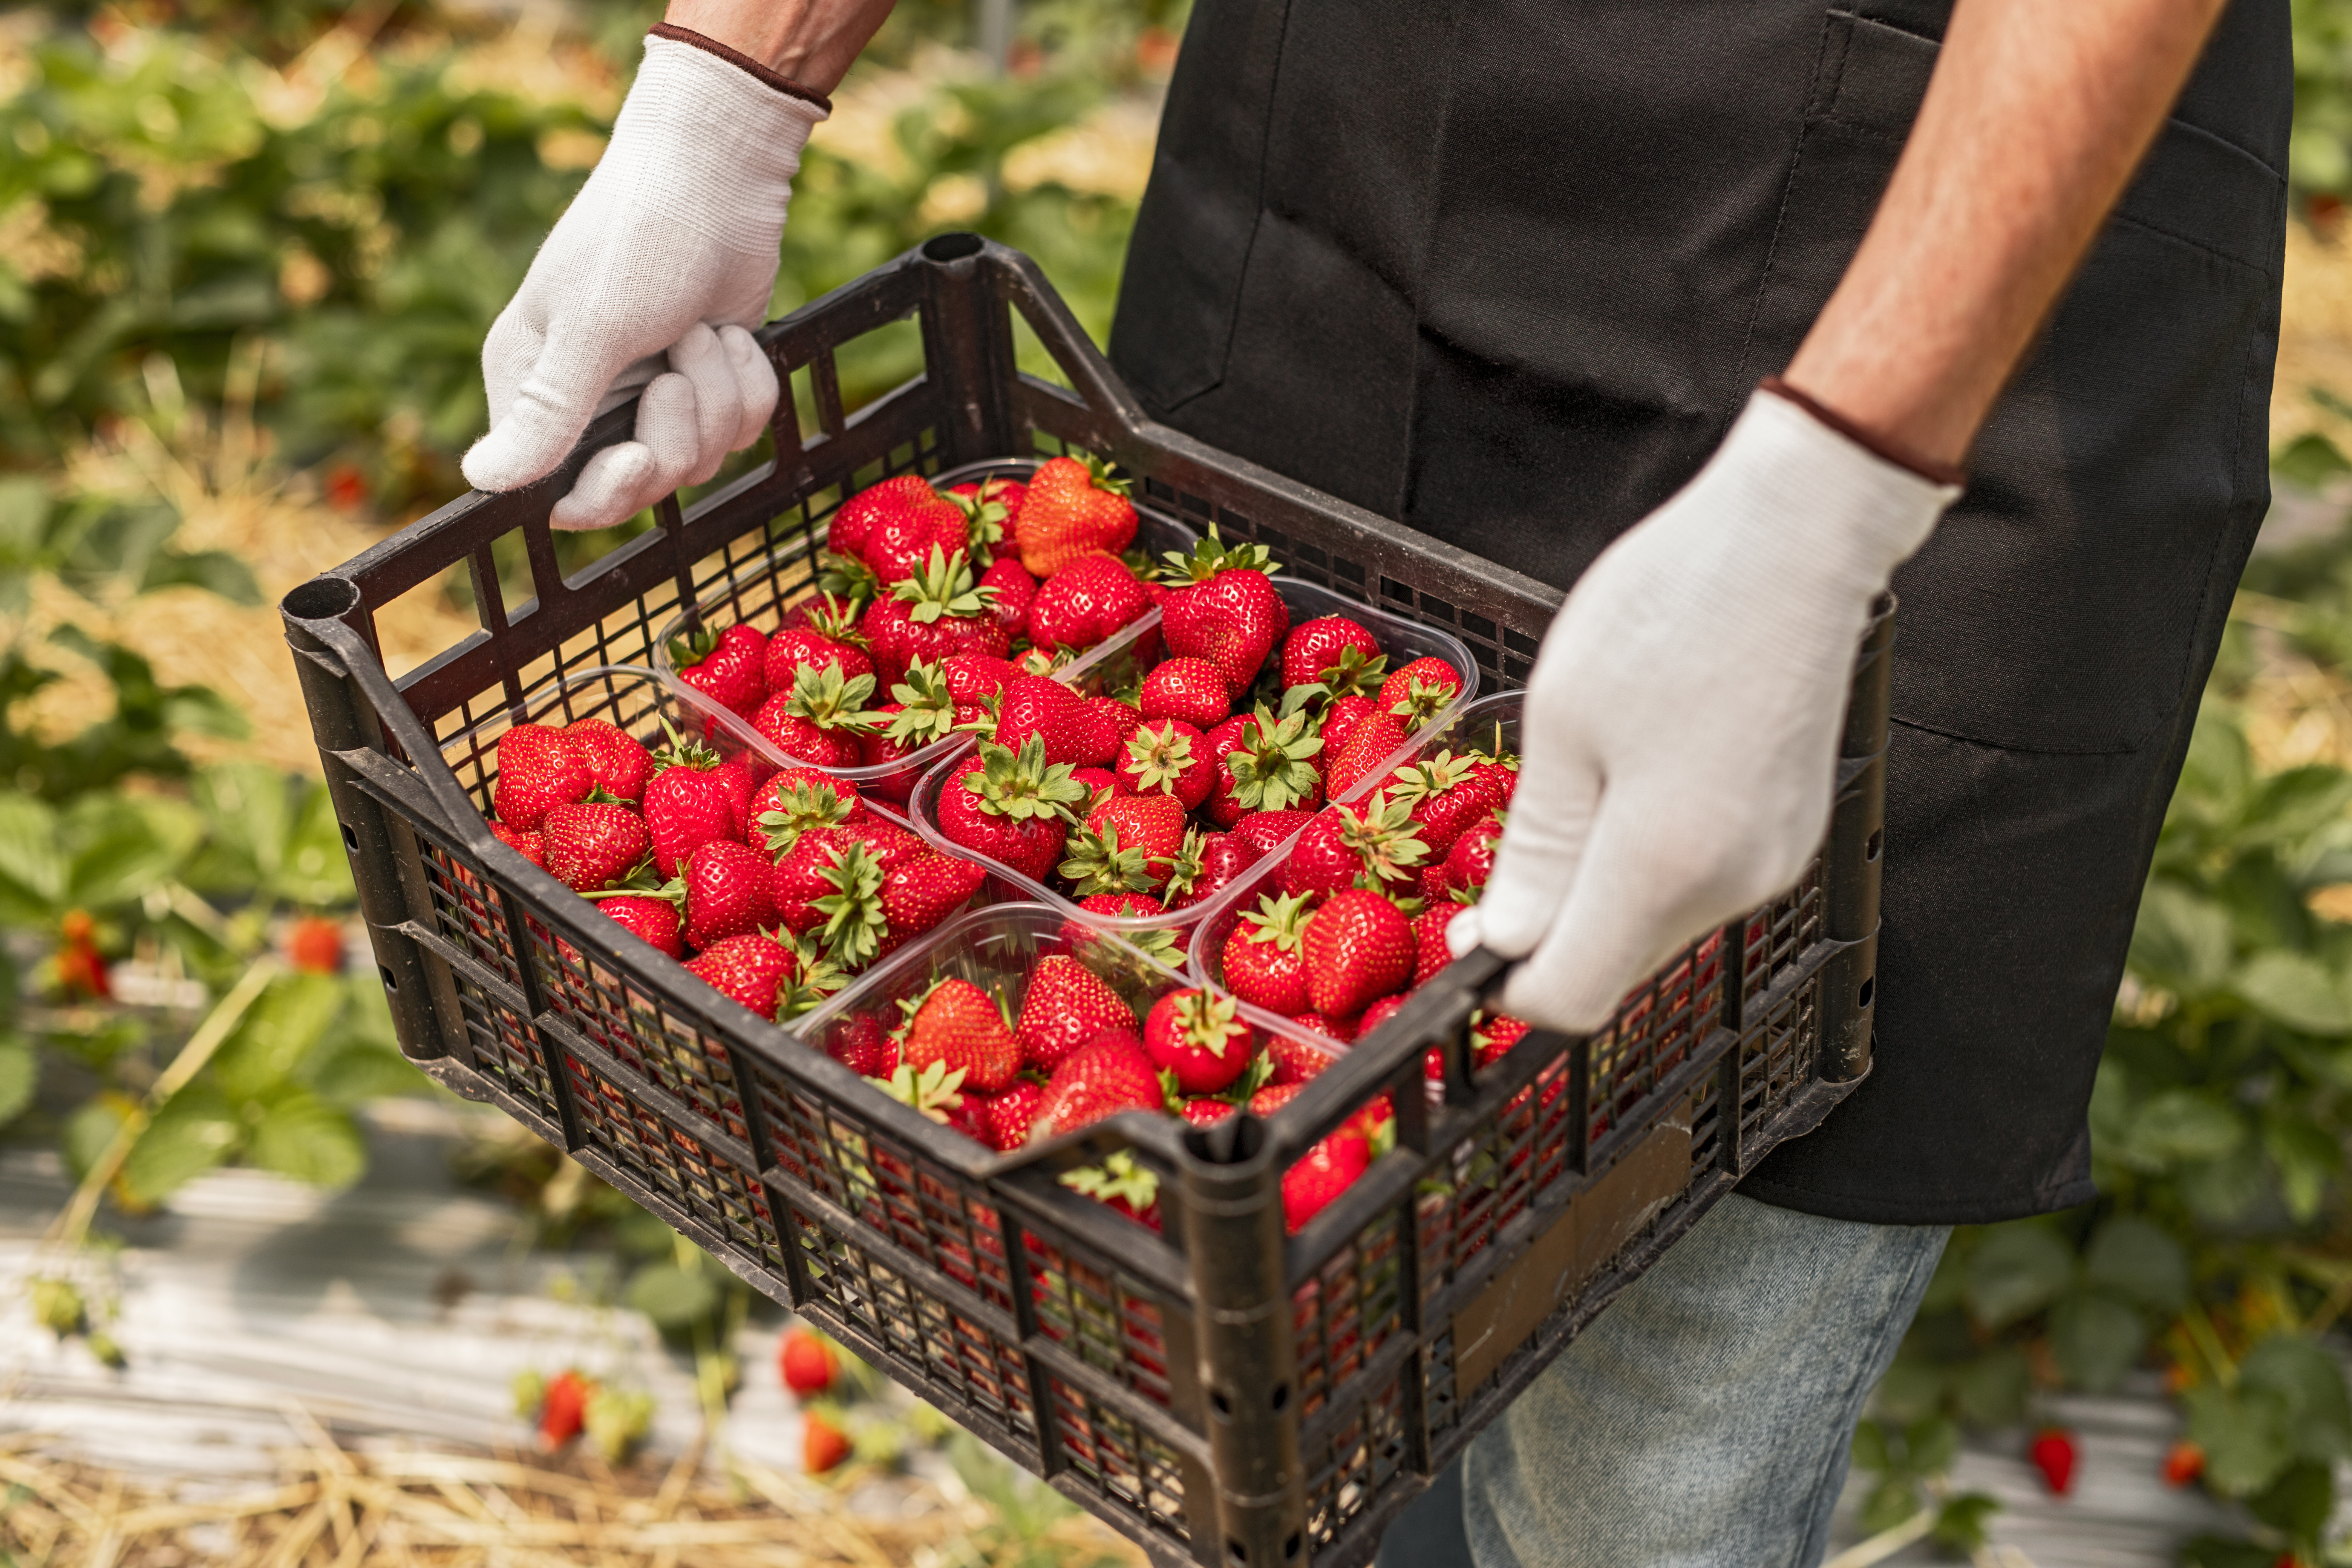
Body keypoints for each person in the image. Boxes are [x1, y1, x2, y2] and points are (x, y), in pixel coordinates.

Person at [457, 0, 2288, 1559]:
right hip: (1354, 168)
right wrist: (734, 92)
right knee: (1244, 1397)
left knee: (1647, 1481)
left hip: (1939, 250)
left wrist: (1837, 497)